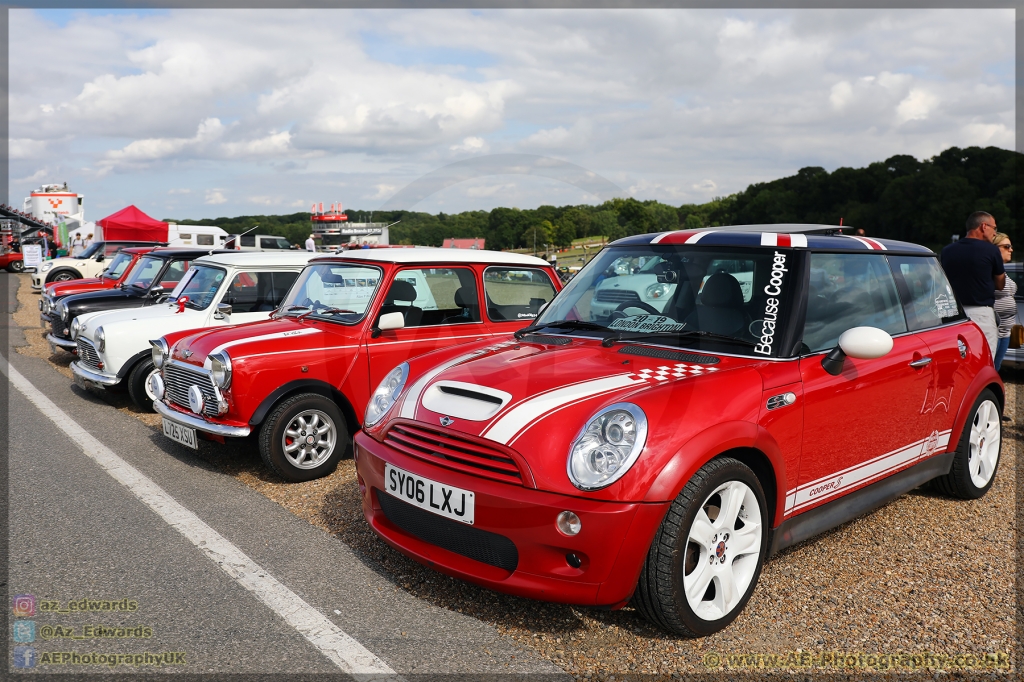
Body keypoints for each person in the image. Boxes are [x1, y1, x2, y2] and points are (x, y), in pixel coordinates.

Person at [941, 211, 1004, 360]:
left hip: (952, 314)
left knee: (957, 361)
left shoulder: (947, 251)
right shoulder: (991, 250)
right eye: (994, 228)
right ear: (983, 226)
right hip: (981, 313)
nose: (995, 233)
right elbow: (1000, 284)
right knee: (984, 360)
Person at [991, 231, 1017, 372]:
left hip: (1005, 331)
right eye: (1007, 246)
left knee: (996, 368)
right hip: (993, 331)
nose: (1011, 249)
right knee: (990, 368)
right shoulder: (989, 271)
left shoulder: (1003, 271)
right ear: (995, 248)